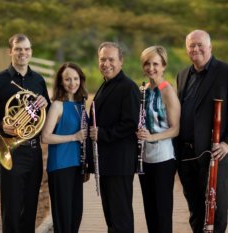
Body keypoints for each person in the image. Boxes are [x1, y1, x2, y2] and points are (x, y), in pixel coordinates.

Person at [0, 34, 50, 233]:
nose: (23, 53)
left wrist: (44, 104)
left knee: (30, 208)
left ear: (31, 51)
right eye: (18, 49)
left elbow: (42, 114)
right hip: (10, 151)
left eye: (26, 49)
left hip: (33, 152)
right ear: (10, 52)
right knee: (12, 210)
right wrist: (0, 124)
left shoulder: (38, 81)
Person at [175, 29, 228, 233]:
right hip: (187, 155)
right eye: (191, 45)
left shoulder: (227, 72)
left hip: (215, 152)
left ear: (210, 47)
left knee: (215, 211)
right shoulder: (182, 75)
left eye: (200, 44)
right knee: (196, 211)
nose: (195, 48)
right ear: (186, 49)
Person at [89, 42, 140, 233]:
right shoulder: (106, 84)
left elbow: (130, 124)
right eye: (103, 59)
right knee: (111, 215)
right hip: (107, 162)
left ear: (121, 62)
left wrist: (101, 133)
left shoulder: (128, 88)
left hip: (119, 162)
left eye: (111, 59)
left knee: (120, 217)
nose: (106, 63)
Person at [136, 45, 181, 233]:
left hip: (163, 158)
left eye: (155, 63)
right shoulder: (143, 90)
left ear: (163, 66)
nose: (151, 68)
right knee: (150, 211)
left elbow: (176, 129)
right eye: (147, 63)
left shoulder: (167, 90)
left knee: (162, 212)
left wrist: (152, 136)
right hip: (144, 159)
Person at [41, 62, 88, 233]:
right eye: (67, 79)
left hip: (77, 166)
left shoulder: (80, 105)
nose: (72, 83)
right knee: (64, 217)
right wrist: (74, 137)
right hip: (61, 165)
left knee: (76, 214)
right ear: (61, 82)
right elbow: (45, 137)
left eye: (76, 78)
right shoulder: (57, 105)